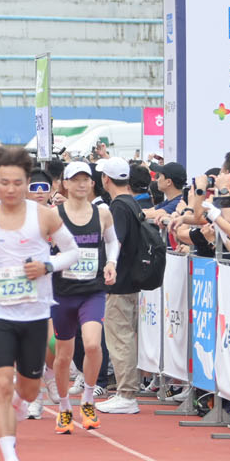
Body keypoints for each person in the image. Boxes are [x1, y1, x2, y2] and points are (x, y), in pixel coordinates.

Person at [0, 146, 83, 461]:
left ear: (27, 182)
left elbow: (73, 252)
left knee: (29, 390)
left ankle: (20, 403)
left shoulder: (44, 216)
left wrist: (48, 265)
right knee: (2, 384)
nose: (11, 189)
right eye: (4, 182)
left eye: (17, 183)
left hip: (34, 313)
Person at [48, 161, 118, 433]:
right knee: (63, 355)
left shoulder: (102, 213)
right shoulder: (53, 215)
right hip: (62, 292)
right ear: (64, 184)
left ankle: (88, 399)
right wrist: (53, 259)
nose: (80, 184)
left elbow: (112, 241)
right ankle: (64, 407)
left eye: (85, 179)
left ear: (92, 183)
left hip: (92, 290)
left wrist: (111, 262)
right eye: (75, 179)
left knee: (92, 345)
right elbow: (39, 245)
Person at [98, 157, 147, 415]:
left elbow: (115, 241)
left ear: (106, 179)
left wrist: (111, 266)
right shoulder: (131, 203)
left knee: (120, 338)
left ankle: (126, 394)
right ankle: (125, 392)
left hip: (120, 281)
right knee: (124, 336)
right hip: (129, 280)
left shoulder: (118, 207)